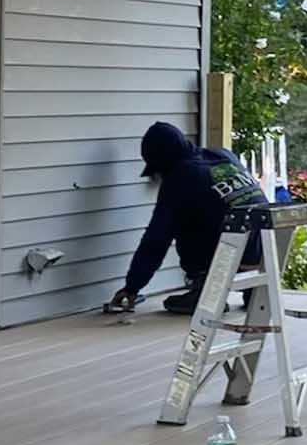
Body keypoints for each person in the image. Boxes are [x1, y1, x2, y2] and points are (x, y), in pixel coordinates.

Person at [104, 121, 266, 316]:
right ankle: (253, 291)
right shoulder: (224, 155)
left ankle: (206, 292)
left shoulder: (181, 177)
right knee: (217, 213)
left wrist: (132, 287)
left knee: (182, 223)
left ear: (163, 161)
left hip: (229, 259)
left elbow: (156, 240)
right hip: (265, 255)